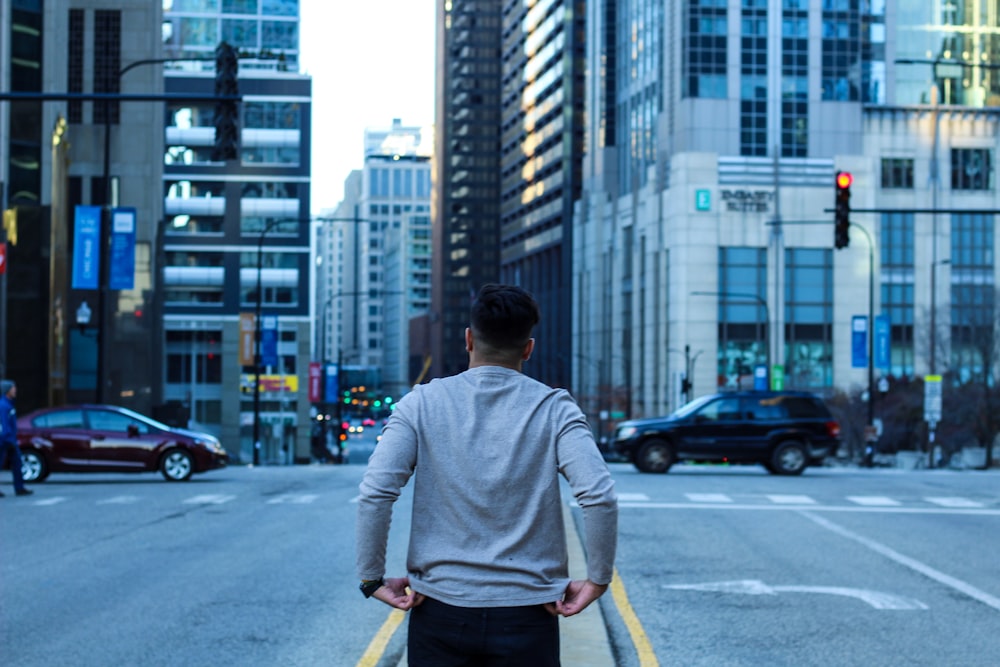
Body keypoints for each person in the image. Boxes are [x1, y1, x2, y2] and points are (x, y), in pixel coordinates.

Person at [356, 284, 617, 666]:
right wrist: (598, 578)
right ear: (528, 348)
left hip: (440, 610)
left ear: (468, 339)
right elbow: (599, 496)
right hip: (528, 613)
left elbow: (376, 492)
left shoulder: (421, 403)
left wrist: (371, 577)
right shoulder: (555, 408)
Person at [0, 379, 33, 497]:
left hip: (10, 439)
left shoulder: (9, 404)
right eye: (13, 388)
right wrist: (7, 438)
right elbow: (3, 425)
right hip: (4, 440)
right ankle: (19, 487)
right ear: (7, 390)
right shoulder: (3, 406)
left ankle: (19, 488)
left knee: (17, 463)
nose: (15, 390)